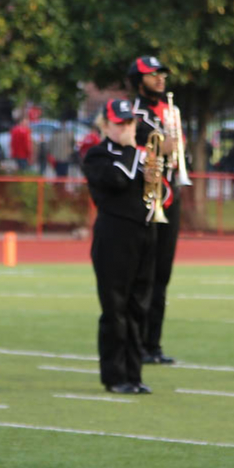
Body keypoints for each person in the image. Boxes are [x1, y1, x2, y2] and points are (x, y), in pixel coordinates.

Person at [82, 99, 158, 395]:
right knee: (115, 309)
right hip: (113, 236)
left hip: (143, 235)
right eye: (119, 123)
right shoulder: (96, 155)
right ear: (106, 125)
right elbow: (115, 180)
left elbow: (153, 194)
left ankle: (134, 375)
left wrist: (152, 175)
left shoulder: (140, 155)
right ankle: (115, 377)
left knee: (139, 307)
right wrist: (131, 151)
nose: (126, 128)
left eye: (129, 123)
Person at [130, 56, 181, 365]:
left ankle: (153, 344)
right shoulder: (134, 114)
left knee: (162, 275)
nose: (160, 78)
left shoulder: (171, 111)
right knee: (144, 274)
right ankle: (139, 343)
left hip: (171, 198)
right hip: (146, 199)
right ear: (138, 80)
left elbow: (176, 150)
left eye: (161, 73)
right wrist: (166, 144)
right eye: (152, 75)